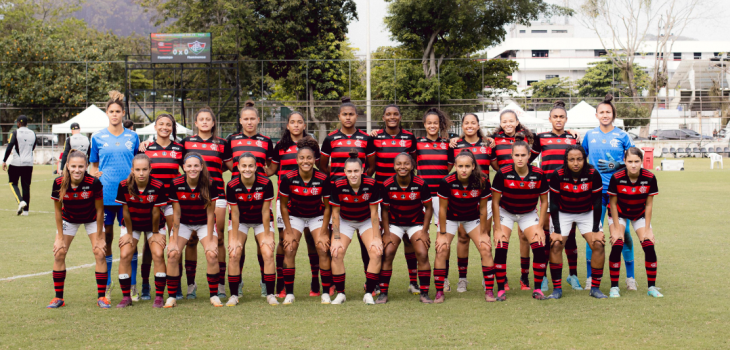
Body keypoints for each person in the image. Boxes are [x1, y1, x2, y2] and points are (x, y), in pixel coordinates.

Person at [320, 97, 377, 293]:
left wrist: (360, 183)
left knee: (366, 243)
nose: (348, 117)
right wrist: (339, 183)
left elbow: (371, 166)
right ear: (339, 116)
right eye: (344, 114)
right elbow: (322, 165)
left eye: (351, 114)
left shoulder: (366, 139)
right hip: (337, 196)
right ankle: (334, 283)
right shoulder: (330, 139)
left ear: (356, 116)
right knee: (334, 240)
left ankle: (370, 283)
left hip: (360, 194)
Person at [582, 94, 637, 291]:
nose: (605, 115)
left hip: (619, 192)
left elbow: (634, 161)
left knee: (625, 233)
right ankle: (590, 278)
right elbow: (580, 158)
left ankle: (630, 278)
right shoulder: (589, 135)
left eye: (608, 112)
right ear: (596, 115)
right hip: (596, 193)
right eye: (602, 112)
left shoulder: (622, 136)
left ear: (613, 114)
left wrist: (619, 164)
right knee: (594, 233)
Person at [88, 91, 140, 300]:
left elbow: (139, 163)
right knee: (107, 239)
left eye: (118, 111)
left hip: (129, 197)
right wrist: (94, 174)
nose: (115, 115)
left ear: (123, 113)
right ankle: (108, 285)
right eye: (111, 111)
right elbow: (93, 165)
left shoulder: (133, 137)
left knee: (130, 240)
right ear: (107, 113)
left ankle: (133, 285)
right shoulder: (98, 137)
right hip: (105, 195)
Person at [179, 108, 232, 299]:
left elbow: (233, 166)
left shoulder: (222, 143)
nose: (204, 122)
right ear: (195, 123)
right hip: (191, 196)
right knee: (191, 239)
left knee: (218, 240)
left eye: (208, 119)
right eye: (200, 119)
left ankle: (220, 284)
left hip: (217, 196)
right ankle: (191, 284)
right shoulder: (186, 143)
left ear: (213, 123)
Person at [269, 111, 323, 298]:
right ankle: (281, 283)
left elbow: (321, 168)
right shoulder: (281, 146)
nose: (296, 125)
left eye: (300, 122)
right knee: (285, 240)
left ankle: (315, 281)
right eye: (293, 122)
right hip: (285, 200)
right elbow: (272, 170)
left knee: (311, 240)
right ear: (288, 125)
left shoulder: (311, 146)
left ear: (304, 125)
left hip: (310, 199)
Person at [491, 134, 550, 301]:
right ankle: (501, 289)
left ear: (529, 155)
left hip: (528, 213)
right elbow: (495, 203)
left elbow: (544, 201)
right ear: (511, 156)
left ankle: (537, 289)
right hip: (506, 212)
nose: (520, 158)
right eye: (516, 155)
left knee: (538, 244)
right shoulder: (503, 173)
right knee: (501, 244)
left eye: (523, 155)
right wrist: (497, 229)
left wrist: (540, 226)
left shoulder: (538, 174)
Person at [531, 100, 583, 290]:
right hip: (546, 191)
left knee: (570, 233)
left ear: (566, 119)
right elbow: (528, 159)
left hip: (569, 190)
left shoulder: (573, 137)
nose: (558, 120)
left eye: (562, 117)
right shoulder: (541, 137)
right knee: (546, 233)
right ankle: (543, 276)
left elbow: (580, 162)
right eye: (555, 117)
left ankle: (573, 275)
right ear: (550, 119)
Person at [226, 101, 275, 298]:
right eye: (245, 119)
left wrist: (262, 176)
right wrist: (242, 174)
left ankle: (266, 282)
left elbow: (272, 166)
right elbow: (229, 162)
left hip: (258, 193)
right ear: (240, 121)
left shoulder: (266, 140)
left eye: (252, 118)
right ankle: (236, 285)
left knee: (265, 248)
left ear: (258, 120)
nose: (249, 122)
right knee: (237, 248)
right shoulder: (231, 139)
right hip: (240, 195)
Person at [369, 105, 420, 295]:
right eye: (388, 114)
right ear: (383, 117)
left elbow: (413, 164)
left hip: (405, 195)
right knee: (381, 239)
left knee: (409, 239)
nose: (392, 117)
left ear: (400, 116)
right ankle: (375, 282)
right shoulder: (375, 137)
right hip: (382, 195)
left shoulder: (409, 137)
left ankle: (413, 282)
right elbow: (371, 166)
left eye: (395, 114)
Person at [47, 150, 107, 308]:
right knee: (59, 252)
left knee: (100, 252)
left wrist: (100, 236)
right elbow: (58, 211)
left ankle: (102, 297)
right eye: (73, 166)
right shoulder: (59, 182)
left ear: (87, 166)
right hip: (69, 219)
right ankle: (58, 298)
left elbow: (100, 210)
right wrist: (60, 237)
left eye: (81, 166)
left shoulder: (94, 182)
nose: (77, 170)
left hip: (92, 218)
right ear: (67, 166)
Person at [435, 149, 495, 303]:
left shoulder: (482, 180)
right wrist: (442, 234)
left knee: (486, 247)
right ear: (455, 166)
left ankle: (489, 291)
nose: (463, 170)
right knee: (441, 249)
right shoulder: (446, 182)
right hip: (450, 218)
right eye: (460, 166)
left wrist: (483, 232)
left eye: (467, 166)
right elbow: (442, 209)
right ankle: (439, 291)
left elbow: (483, 209)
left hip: (471, 219)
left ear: (473, 166)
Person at [490, 110, 540, 292]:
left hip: (525, 189)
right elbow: (495, 165)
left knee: (524, 237)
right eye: (505, 121)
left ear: (517, 122)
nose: (508, 124)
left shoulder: (527, 138)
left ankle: (524, 276)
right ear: (501, 123)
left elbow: (537, 149)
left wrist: (575, 134)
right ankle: (502, 281)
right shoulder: (494, 139)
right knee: (503, 238)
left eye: (511, 120)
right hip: (505, 190)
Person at [164, 153, 222, 308]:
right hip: (183, 223)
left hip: (204, 223)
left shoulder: (210, 183)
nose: (193, 169)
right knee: (173, 254)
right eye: (189, 166)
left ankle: (214, 295)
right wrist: (173, 240)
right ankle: (171, 297)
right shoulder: (176, 183)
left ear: (201, 167)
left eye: (196, 165)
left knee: (212, 253)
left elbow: (211, 214)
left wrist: (210, 240)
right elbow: (176, 214)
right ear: (183, 167)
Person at [547, 145, 604, 300]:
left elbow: (598, 203)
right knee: (556, 244)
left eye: (579, 159)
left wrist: (595, 229)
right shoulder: (558, 174)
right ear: (566, 161)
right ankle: (557, 289)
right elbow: (553, 204)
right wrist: (557, 230)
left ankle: (595, 288)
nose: (576, 163)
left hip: (587, 213)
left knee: (598, 243)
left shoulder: (593, 173)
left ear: (584, 159)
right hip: (563, 213)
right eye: (571, 159)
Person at [279, 138, 332, 304]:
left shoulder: (323, 178)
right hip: (295, 216)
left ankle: (325, 293)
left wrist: (324, 231)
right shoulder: (288, 178)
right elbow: (283, 206)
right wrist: (287, 231)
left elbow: (328, 207)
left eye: (309, 158)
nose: (305, 161)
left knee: (323, 248)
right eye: (302, 158)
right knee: (289, 248)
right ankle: (289, 293)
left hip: (316, 216)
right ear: (297, 160)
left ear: (314, 159)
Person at [604, 147, 662, 298]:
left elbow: (649, 205)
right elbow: (613, 204)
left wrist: (648, 228)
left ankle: (651, 288)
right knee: (617, 243)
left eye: (637, 161)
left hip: (639, 214)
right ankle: (614, 287)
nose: (634, 165)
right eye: (630, 161)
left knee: (649, 245)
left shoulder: (649, 177)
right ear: (624, 162)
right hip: (619, 214)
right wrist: (617, 228)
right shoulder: (616, 177)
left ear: (642, 162)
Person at [328, 150, 382, 305]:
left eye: (356, 171)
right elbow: (335, 214)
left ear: (362, 170)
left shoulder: (371, 184)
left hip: (365, 220)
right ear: (344, 171)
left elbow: (374, 213)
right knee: (336, 252)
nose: (353, 174)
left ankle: (369, 293)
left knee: (376, 252)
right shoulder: (338, 185)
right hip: (345, 221)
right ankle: (341, 293)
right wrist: (336, 238)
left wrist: (377, 237)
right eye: (350, 171)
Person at [114, 154, 168, 308]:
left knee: (157, 254)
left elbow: (156, 212)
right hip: (132, 224)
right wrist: (129, 235)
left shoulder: (158, 186)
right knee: (125, 254)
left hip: (154, 225)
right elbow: (125, 211)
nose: (141, 173)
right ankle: (126, 297)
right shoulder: (124, 185)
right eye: (137, 169)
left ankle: (158, 296)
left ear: (150, 169)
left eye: (145, 169)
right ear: (132, 170)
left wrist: (155, 232)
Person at [379, 153, 434, 304]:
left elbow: (428, 208)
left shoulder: (421, 184)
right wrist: (387, 233)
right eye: (399, 164)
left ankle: (424, 292)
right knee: (388, 252)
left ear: (412, 166)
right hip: (394, 224)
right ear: (394, 166)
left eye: (406, 164)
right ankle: (383, 292)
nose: (402, 167)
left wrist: (424, 231)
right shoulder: (387, 185)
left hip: (415, 223)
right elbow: (384, 210)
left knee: (422, 253)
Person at [140, 114, 183, 300]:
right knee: (149, 245)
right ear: (155, 127)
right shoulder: (146, 148)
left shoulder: (179, 148)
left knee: (175, 242)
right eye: (161, 124)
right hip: (151, 203)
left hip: (172, 202)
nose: (165, 127)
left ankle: (176, 284)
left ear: (173, 128)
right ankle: (145, 285)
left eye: (168, 125)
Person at [451, 113, 495, 293]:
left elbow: (497, 166)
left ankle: (487, 277)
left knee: (485, 236)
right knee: (462, 236)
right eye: (466, 123)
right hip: (462, 198)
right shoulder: (455, 145)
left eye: (473, 123)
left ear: (478, 125)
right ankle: (462, 279)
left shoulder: (487, 144)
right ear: (462, 126)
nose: (470, 125)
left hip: (484, 197)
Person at [226, 153, 278, 306]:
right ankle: (234, 295)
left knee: (268, 251)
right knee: (234, 253)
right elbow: (234, 213)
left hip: (261, 221)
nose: (247, 169)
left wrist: (268, 235)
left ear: (256, 167)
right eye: (244, 166)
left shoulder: (266, 183)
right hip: (240, 221)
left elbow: (265, 211)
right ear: (238, 167)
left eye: (250, 166)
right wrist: (234, 239)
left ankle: (270, 294)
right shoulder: (231, 185)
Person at [414, 108, 454, 291]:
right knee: (419, 236)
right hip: (421, 196)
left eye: (435, 123)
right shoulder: (417, 144)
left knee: (443, 237)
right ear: (424, 124)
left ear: (440, 125)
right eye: (429, 123)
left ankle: (443, 277)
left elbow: (448, 167)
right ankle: (417, 278)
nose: (432, 126)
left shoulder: (447, 144)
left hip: (440, 197)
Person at [3, 115, 36, 216]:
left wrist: (4, 160)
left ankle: (20, 201)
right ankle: (26, 211)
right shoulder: (33, 133)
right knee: (26, 186)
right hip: (29, 163)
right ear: (27, 124)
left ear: (18, 123)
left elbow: (10, 146)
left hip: (17, 163)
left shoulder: (15, 132)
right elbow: (33, 147)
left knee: (12, 183)